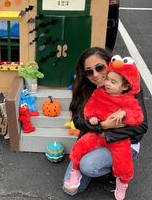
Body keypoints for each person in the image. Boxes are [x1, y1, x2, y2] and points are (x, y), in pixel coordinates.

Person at [62, 47, 148, 197]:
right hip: (95, 137)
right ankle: (96, 163)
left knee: (88, 166)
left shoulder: (129, 86)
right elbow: (77, 121)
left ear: (110, 64)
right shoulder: (86, 89)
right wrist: (102, 126)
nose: (95, 75)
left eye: (99, 67)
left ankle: (116, 174)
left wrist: (110, 133)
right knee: (72, 189)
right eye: (89, 71)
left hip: (123, 142)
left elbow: (141, 127)